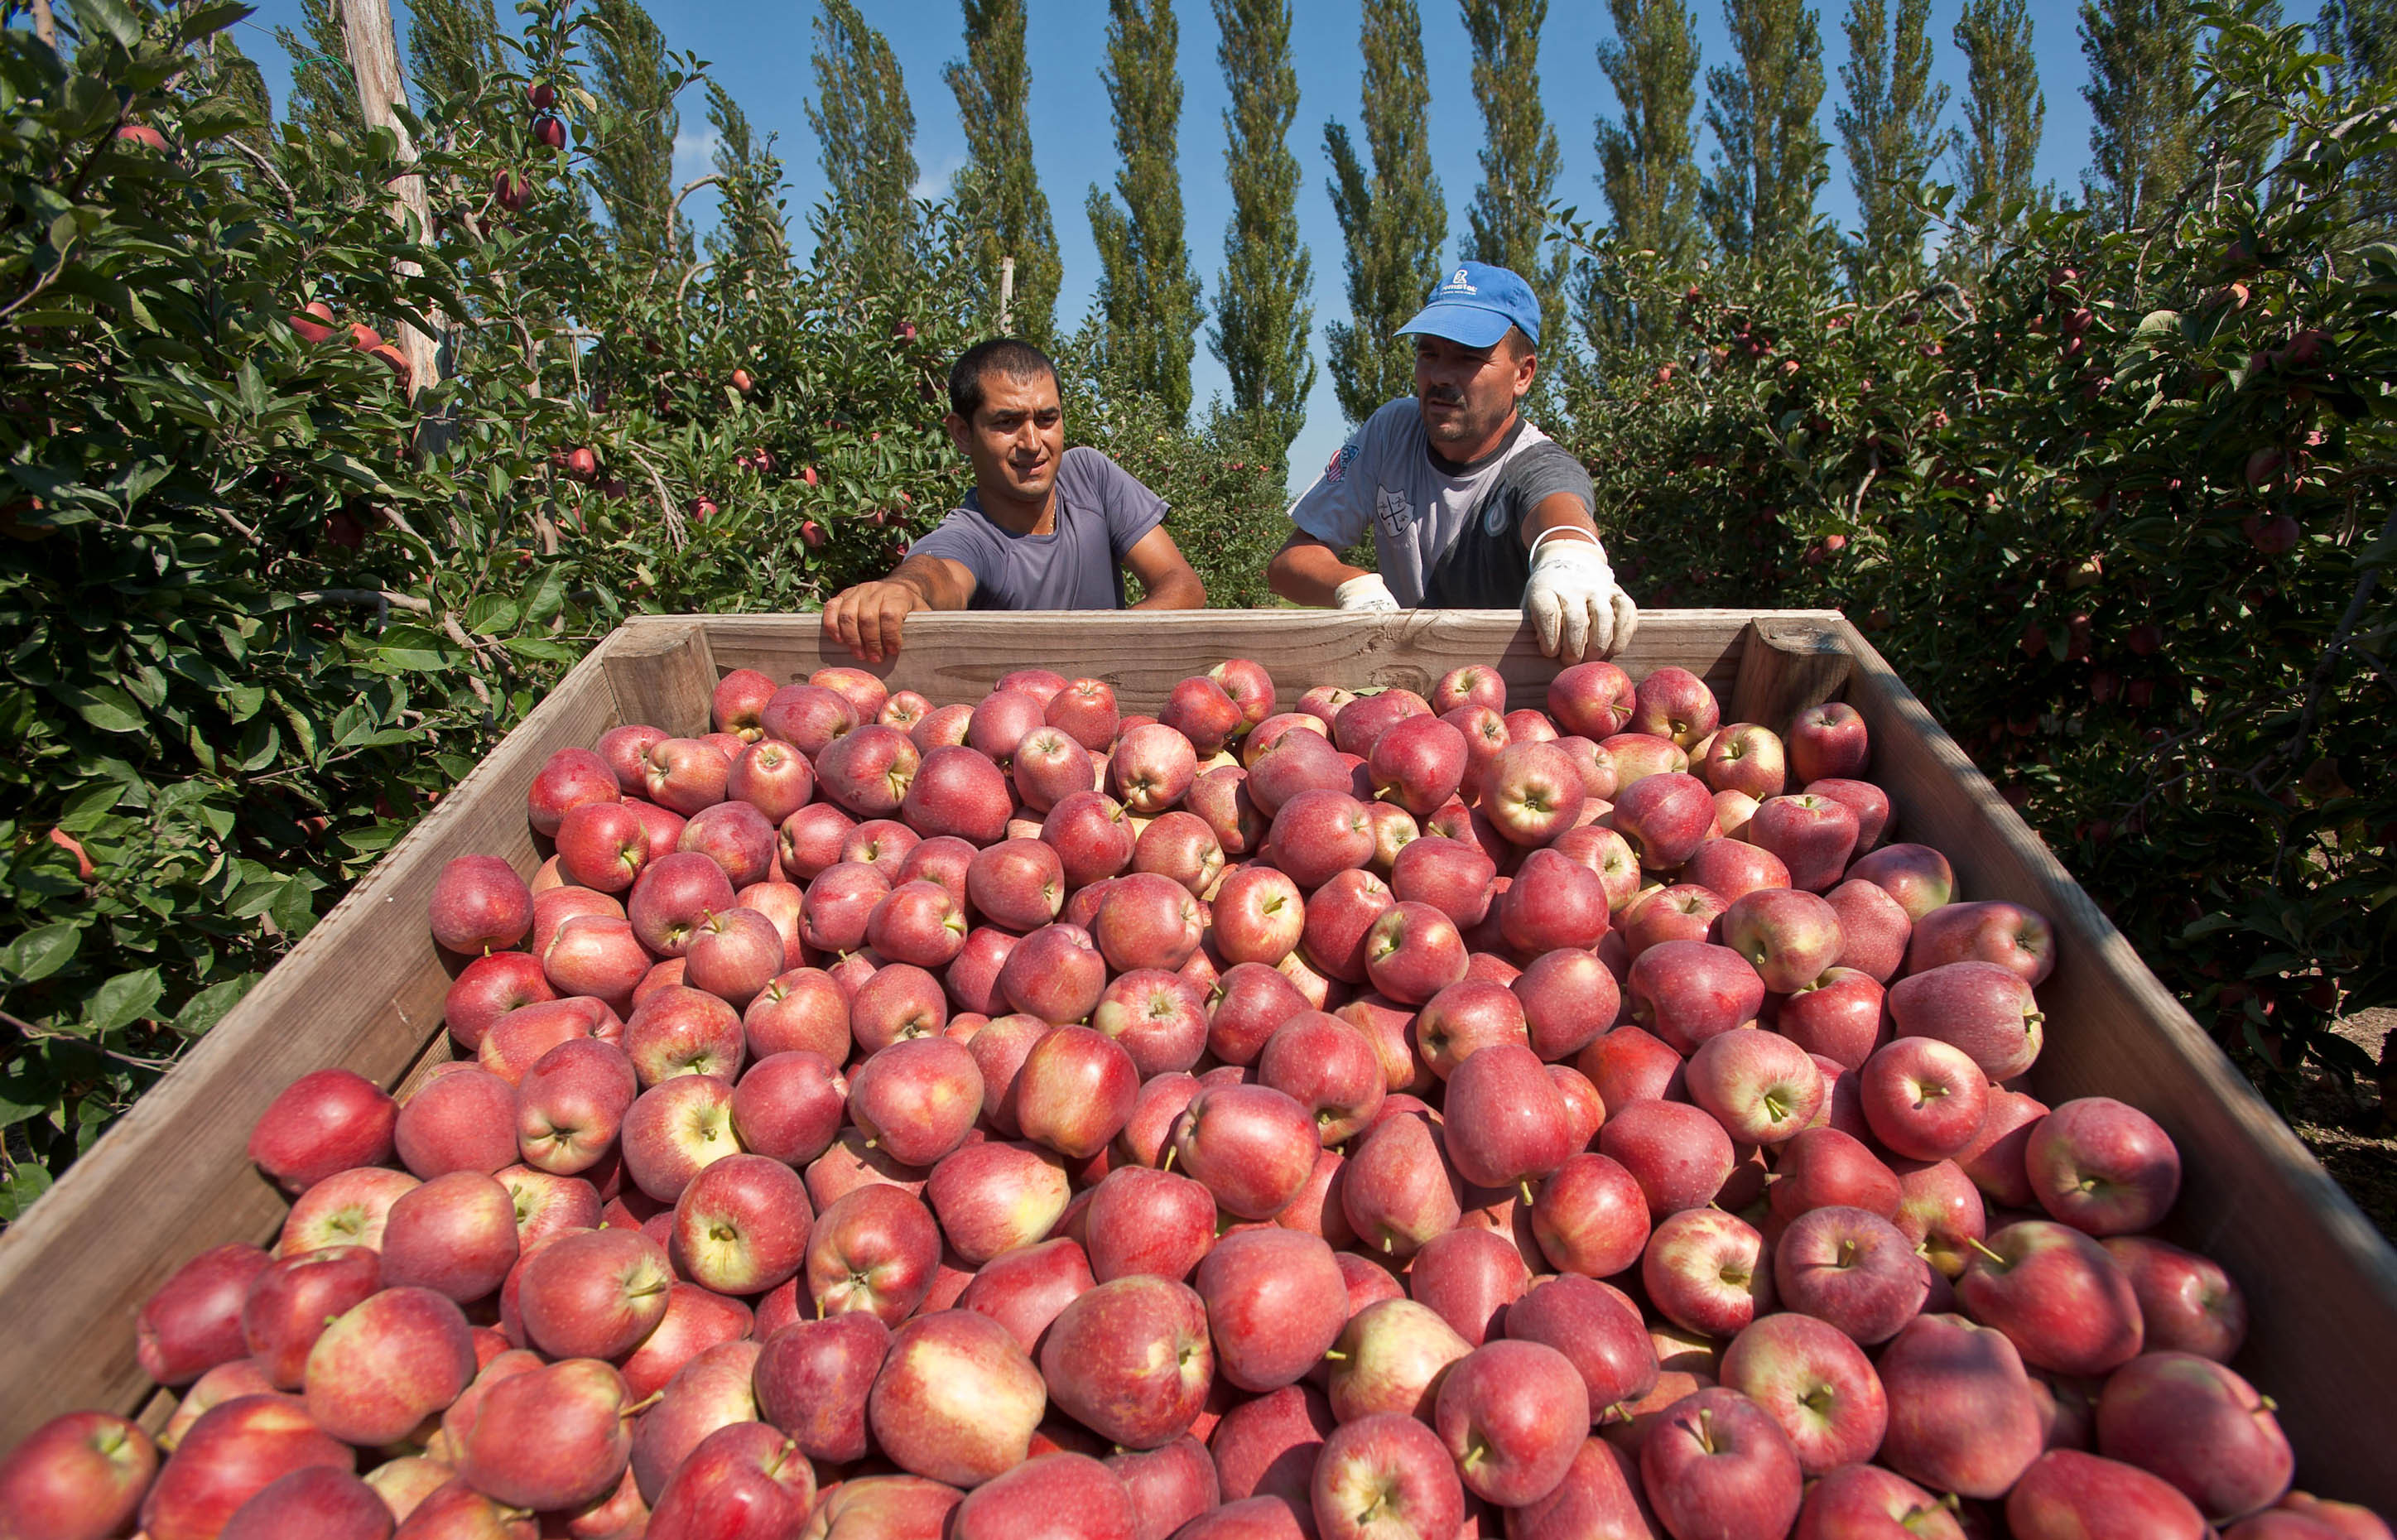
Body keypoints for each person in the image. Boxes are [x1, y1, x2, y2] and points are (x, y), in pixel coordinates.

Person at [1267, 261, 1639, 663]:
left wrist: (1571, 557)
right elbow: (1289, 562)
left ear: (1523, 375)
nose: (1441, 376)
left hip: (1506, 696)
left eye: (1468, 358)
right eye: (1429, 353)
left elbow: (1560, 516)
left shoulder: (1535, 464)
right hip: (1406, 684)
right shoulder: (1392, 432)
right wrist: (1353, 585)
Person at [821, 337, 1206, 662]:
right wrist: (903, 589)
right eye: (1006, 422)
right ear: (962, 433)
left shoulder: (1090, 476)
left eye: (1046, 419)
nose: (1033, 443)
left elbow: (1182, 584)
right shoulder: (971, 536)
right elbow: (937, 574)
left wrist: (1101, 648)